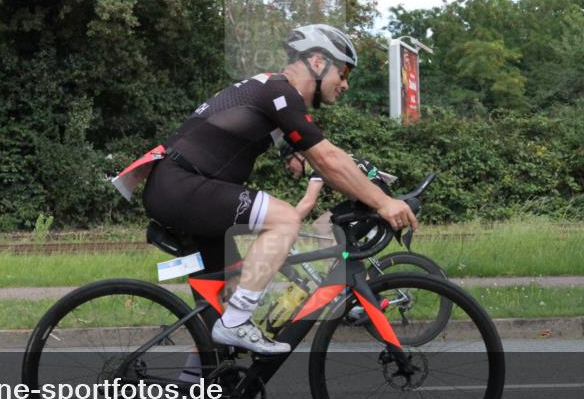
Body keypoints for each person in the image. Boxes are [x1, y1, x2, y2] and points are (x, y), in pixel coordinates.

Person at [141, 24, 418, 355]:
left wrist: (370, 190)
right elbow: (327, 160)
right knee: (285, 219)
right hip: (182, 185)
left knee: (221, 313)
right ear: (317, 62)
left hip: (179, 187)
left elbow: (328, 162)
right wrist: (384, 203)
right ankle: (236, 324)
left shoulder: (272, 94)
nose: (345, 84)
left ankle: (203, 387)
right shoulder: (280, 92)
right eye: (343, 72)